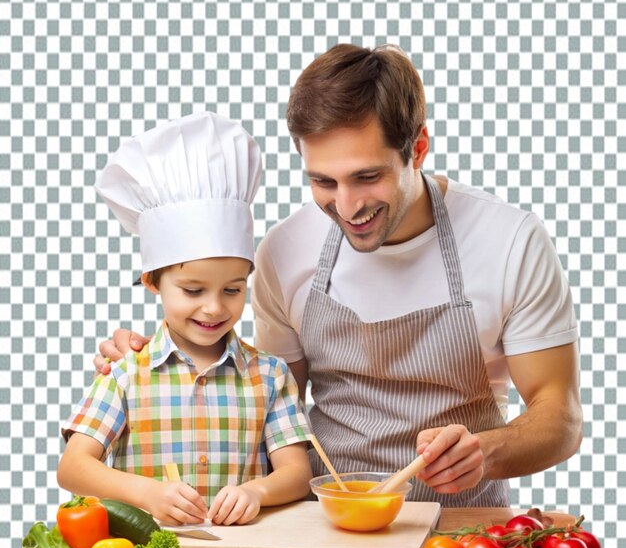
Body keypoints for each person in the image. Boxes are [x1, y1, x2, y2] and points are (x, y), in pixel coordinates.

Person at [95, 44, 583, 507]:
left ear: (417, 148)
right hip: (323, 523)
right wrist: (154, 368)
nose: (347, 207)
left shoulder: (509, 240)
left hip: (459, 528)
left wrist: (485, 451)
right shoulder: (284, 251)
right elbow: (266, 402)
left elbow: (559, 418)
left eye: (367, 177)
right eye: (323, 181)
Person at [58, 112, 313, 526]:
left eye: (232, 289)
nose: (214, 307)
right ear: (153, 282)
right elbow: (72, 468)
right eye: (193, 290)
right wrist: (147, 492)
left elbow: (297, 474)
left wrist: (257, 491)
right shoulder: (125, 371)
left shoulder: (269, 375)